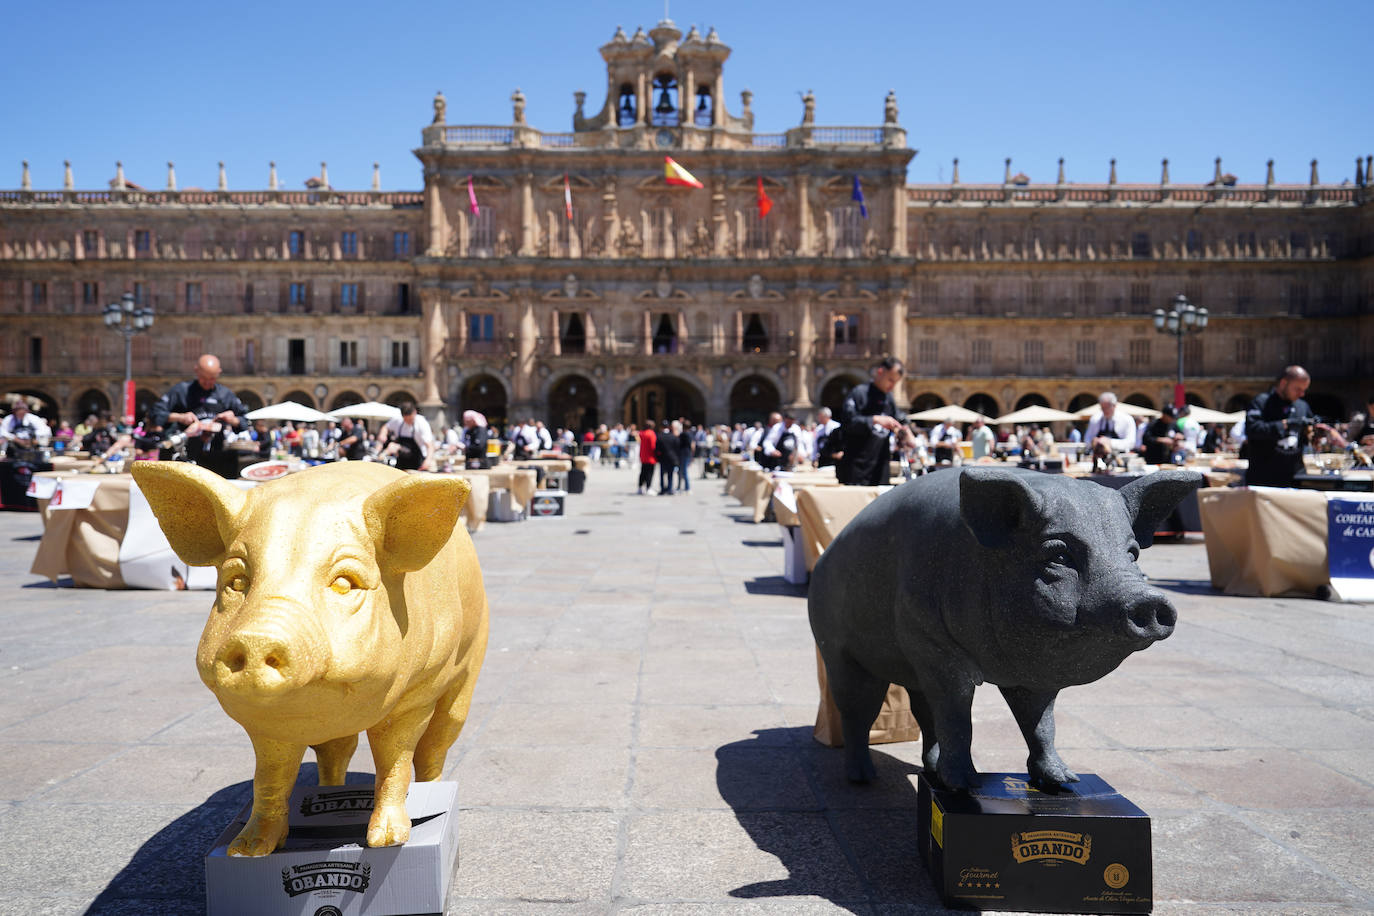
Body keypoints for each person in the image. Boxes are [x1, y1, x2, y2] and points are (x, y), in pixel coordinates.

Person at [149, 354, 249, 478]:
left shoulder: (225, 395)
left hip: (217, 459)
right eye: (203, 378)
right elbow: (155, 413)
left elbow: (245, 420)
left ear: (219, 373)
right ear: (196, 371)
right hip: (186, 457)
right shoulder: (182, 391)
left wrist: (232, 419)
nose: (207, 382)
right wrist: (180, 417)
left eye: (212, 378)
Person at [1244, 365, 1338, 487]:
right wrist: (1285, 425)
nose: (1302, 394)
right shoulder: (1261, 402)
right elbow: (1252, 429)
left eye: (1304, 390)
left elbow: (1307, 433)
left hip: (1295, 476)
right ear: (1283, 383)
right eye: (1298, 389)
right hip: (1264, 477)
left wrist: (1314, 437)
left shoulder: (1302, 406)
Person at [837, 356, 904, 485]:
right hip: (857, 468)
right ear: (880, 372)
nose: (892, 385)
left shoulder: (889, 398)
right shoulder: (859, 393)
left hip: (881, 468)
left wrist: (904, 432)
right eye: (890, 380)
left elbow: (898, 419)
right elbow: (848, 422)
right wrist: (875, 419)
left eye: (896, 382)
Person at [1083, 392, 1136, 472]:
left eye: (1107, 407)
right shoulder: (1095, 419)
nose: (1105, 411)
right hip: (1099, 463)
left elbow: (1131, 443)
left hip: (1120, 462)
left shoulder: (1126, 419)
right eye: (1102, 408)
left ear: (1114, 406)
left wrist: (1109, 442)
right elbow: (1087, 439)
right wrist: (1094, 442)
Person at [377, 401, 436, 471]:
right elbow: (386, 427)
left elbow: (430, 446)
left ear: (415, 413)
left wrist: (428, 460)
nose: (408, 422)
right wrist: (383, 434)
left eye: (410, 419)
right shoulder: (398, 420)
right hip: (402, 460)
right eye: (406, 419)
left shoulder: (421, 423)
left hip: (417, 460)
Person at [656, 419, 680, 495]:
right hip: (671, 458)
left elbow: (657, 448)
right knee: (670, 474)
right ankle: (669, 489)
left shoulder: (659, 436)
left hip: (663, 458)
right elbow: (677, 447)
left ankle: (663, 489)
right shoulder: (673, 436)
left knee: (662, 474)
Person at [637, 419, 658, 494]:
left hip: (643, 456)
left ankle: (640, 488)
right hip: (650, 457)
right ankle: (648, 487)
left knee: (643, 472)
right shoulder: (651, 433)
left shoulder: (642, 433)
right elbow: (653, 446)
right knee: (649, 473)